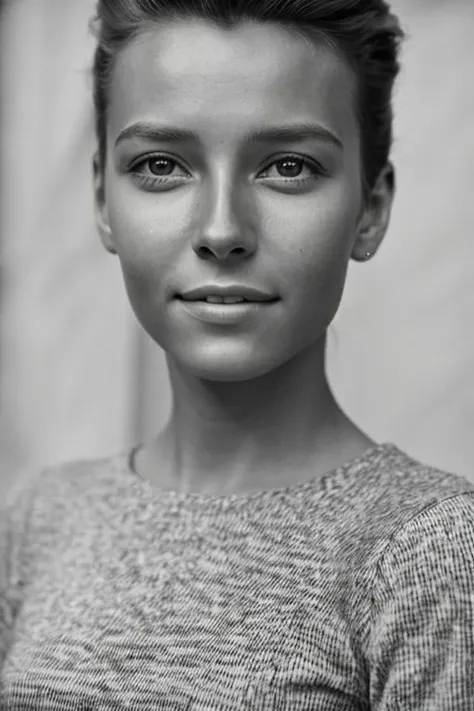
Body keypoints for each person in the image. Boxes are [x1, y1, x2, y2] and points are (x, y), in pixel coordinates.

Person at [1, 0, 473, 707]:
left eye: (288, 166)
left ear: (369, 209)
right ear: (103, 197)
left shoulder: (430, 549)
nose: (222, 229)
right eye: (161, 164)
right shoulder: (42, 517)